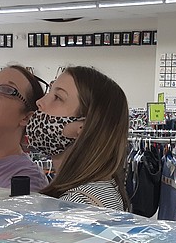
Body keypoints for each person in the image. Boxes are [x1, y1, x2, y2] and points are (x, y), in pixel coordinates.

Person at [26, 66, 130, 210]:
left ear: (83, 127)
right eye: (49, 92)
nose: (40, 102)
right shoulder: (103, 188)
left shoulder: (75, 204)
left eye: (58, 97)